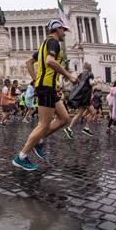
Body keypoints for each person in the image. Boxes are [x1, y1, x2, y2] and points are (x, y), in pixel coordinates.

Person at [13, 19, 77, 171]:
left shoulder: (44, 44)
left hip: (48, 87)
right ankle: (21, 157)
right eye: (63, 30)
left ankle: (39, 141)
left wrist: (36, 80)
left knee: (64, 118)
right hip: (47, 87)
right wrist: (68, 75)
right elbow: (50, 61)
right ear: (57, 29)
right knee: (43, 124)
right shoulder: (53, 42)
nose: (64, 33)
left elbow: (28, 62)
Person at [64, 62, 95, 138]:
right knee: (93, 112)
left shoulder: (81, 75)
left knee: (79, 114)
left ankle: (69, 128)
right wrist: (97, 81)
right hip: (86, 97)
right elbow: (91, 83)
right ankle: (86, 128)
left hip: (81, 97)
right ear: (89, 67)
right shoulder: (90, 74)